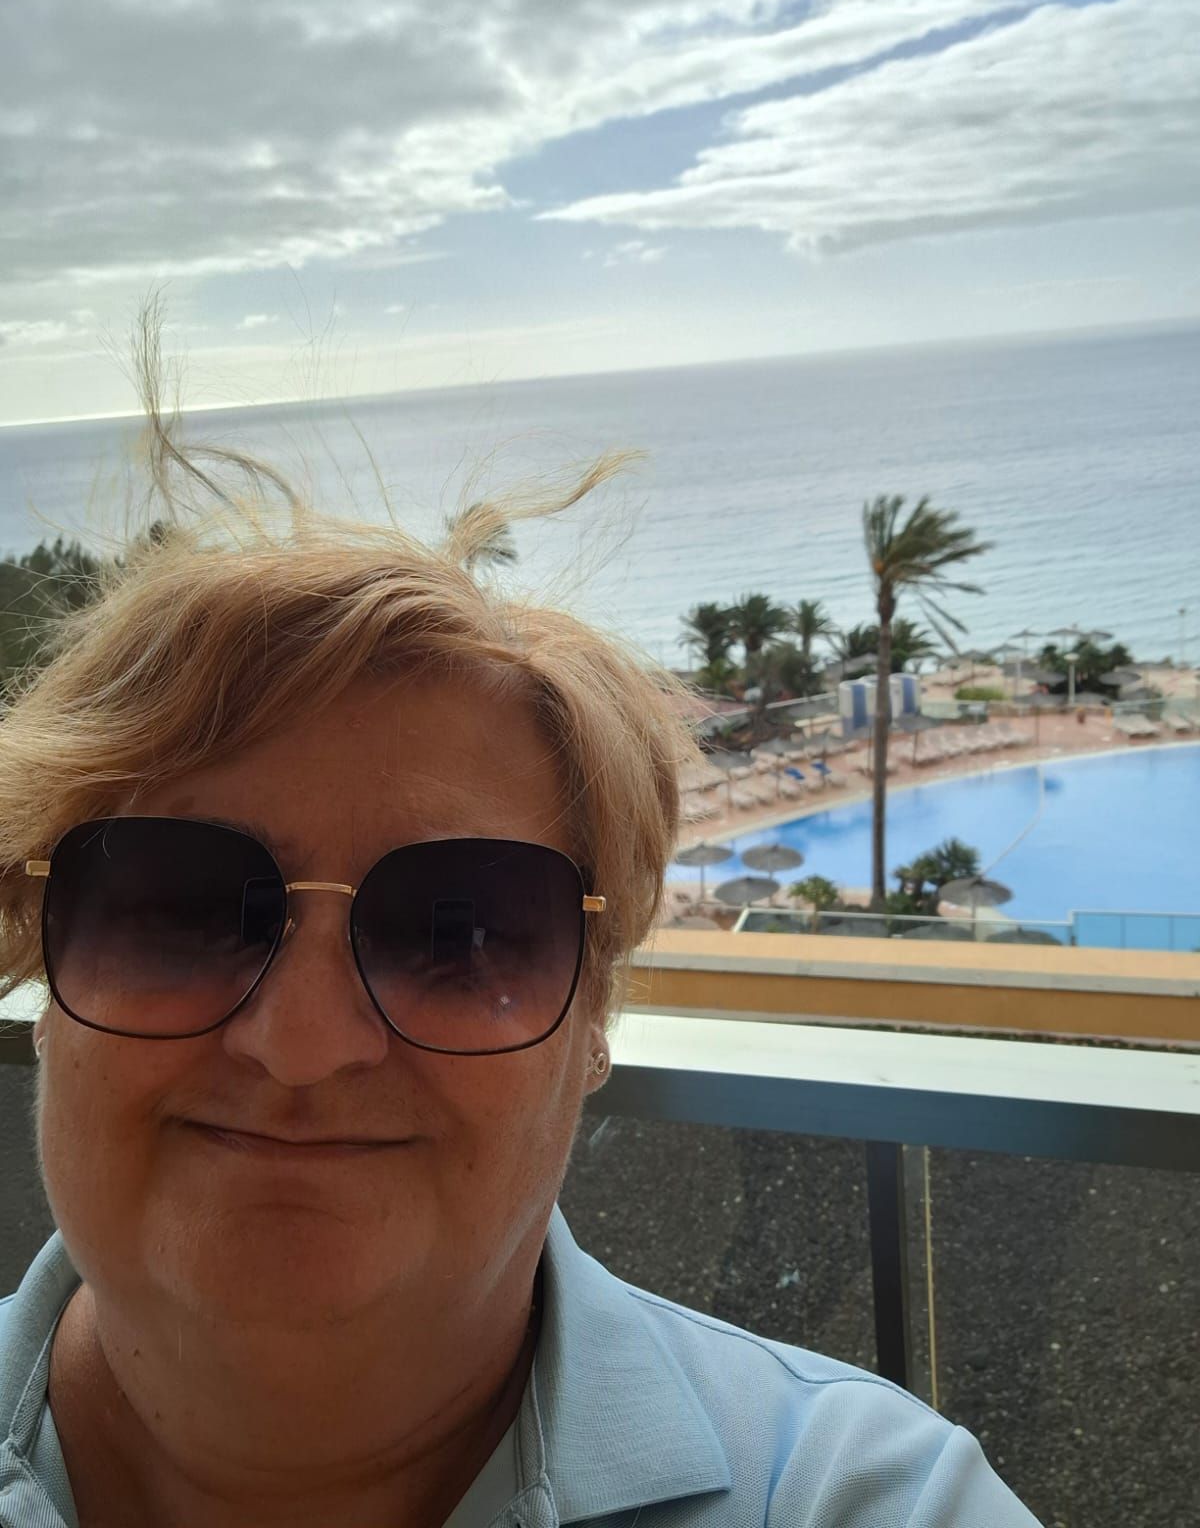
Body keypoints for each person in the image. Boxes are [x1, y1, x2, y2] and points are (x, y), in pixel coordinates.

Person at [0, 383, 1043, 1526]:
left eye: (463, 930)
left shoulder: (858, 1496)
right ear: (48, 972)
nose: (302, 1043)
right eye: (181, 908)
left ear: (594, 1016)